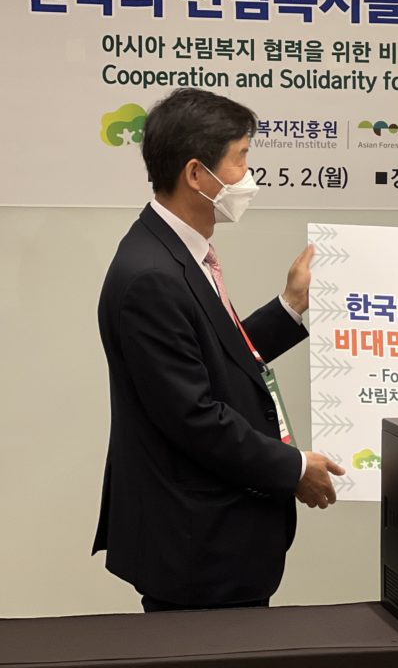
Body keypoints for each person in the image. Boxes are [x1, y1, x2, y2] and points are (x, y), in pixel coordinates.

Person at [92, 87, 345, 612]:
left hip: (212, 537)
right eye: (241, 158)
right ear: (196, 174)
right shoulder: (152, 276)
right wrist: (294, 467)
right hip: (195, 544)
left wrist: (289, 306)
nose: (249, 176)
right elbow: (194, 416)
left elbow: (213, 357)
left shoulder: (177, 253)